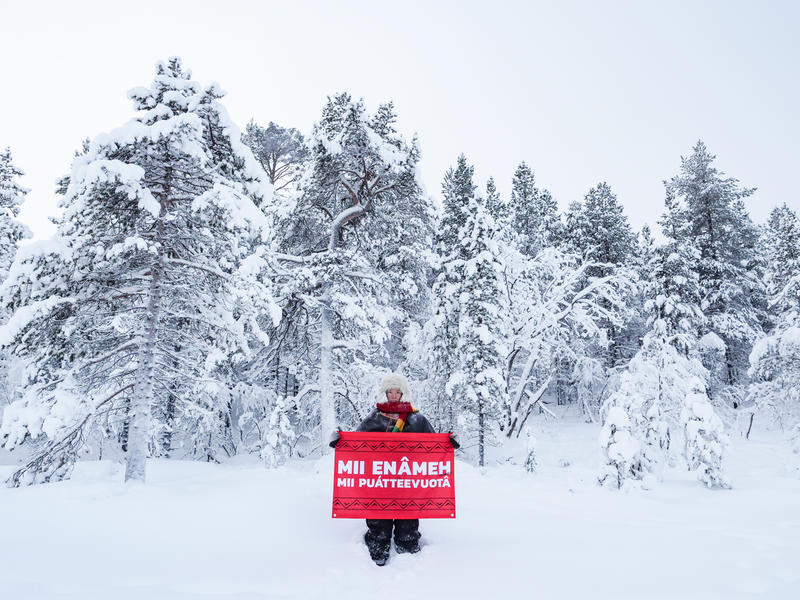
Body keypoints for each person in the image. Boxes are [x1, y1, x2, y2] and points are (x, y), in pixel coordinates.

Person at [329, 372, 459, 566]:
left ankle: (407, 546)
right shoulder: (373, 419)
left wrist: (449, 442)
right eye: (390, 391)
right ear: (385, 393)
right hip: (379, 481)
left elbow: (433, 445)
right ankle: (378, 544)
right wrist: (340, 441)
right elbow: (356, 444)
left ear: (403, 393)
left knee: (407, 517)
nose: (393, 395)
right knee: (378, 516)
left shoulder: (417, 420)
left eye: (397, 391)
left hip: (408, 482)